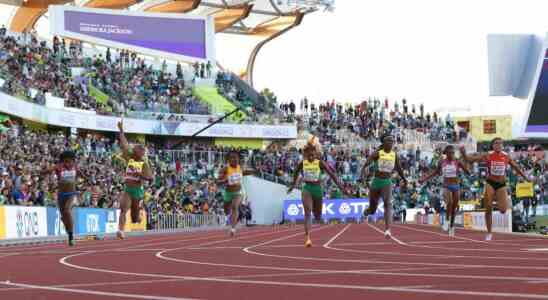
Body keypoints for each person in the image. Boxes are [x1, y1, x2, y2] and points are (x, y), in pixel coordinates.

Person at [460, 138, 529, 241]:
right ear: (493, 145)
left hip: (501, 184)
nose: (499, 145)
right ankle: (489, 232)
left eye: (501, 143)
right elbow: (471, 160)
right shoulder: (488, 155)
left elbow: (516, 167)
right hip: (490, 183)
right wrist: (464, 154)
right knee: (488, 208)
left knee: (503, 210)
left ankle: (494, 201)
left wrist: (524, 176)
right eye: (497, 143)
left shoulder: (506, 156)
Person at [288, 139, 349, 247]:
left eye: (313, 155)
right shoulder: (303, 163)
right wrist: (293, 185)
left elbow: (332, 175)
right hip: (307, 188)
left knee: (317, 215)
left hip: (317, 189)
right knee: (307, 212)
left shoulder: (320, 163)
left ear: (315, 154)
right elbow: (296, 172)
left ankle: (316, 220)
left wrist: (341, 187)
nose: (311, 157)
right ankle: (307, 238)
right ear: (306, 155)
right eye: (309, 155)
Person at [360, 134, 407, 239]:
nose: (391, 143)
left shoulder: (394, 155)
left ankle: (387, 230)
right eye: (388, 141)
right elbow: (366, 163)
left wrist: (404, 179)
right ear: (384, 143)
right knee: (373, 209)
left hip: (387, 182)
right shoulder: (378, 153)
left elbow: (399, 169)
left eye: (392, 142)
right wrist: (361, 174)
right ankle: (367, 211)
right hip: (376, 182)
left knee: (388, 203)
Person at [419, 145, 470, 236]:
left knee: (454, 207)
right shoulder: (441, 162)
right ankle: (446, 221)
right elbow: (435, 173)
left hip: (456, 186)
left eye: (453, 153)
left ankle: (451, 226)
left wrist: (466, 165)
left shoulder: (457, 161)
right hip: (446, 186)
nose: (452, 154)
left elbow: (467, 171)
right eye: (450, 153)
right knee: (449, 203)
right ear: (446, 153)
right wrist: (424, 179)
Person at [116, 120, 153, 239]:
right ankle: (120, 230)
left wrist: (140, 175)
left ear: (140, 153)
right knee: (123, 209)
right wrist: (121, 130)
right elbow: (124, 143)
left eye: (136, 149)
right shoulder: (130, 158)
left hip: (138, 191)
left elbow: (150, 178)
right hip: (128, 189)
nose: (133, 149)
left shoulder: (144, 164)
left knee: (135, 218)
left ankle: (139, 215)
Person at [42, 150, 83, 246]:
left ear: (73, 161)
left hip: (72, 194)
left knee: (67, 210)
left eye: (70, 161)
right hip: (61, 195)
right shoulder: (59, 167)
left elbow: (81, 174)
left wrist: (88, 179)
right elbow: (47, 171)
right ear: (62, 161)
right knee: (64, 217)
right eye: (65, 161)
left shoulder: (75, 167)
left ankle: (72, 236)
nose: (68, 164)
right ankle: (69, 235)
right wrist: (44, 171)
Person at [217, 151, 257, 237]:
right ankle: (230, 218)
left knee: (235, 207)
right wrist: (225, 180)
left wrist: (253, 171)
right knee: (226, 210)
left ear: (238, 159)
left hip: (238, 192)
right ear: (228, 160)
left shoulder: (240, 168)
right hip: (228, 192)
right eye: (232, 158)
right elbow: (217, 182)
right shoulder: (225, 169)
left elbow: (245, 172)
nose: (234, 159)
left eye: (236, 158)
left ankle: (233, 228)